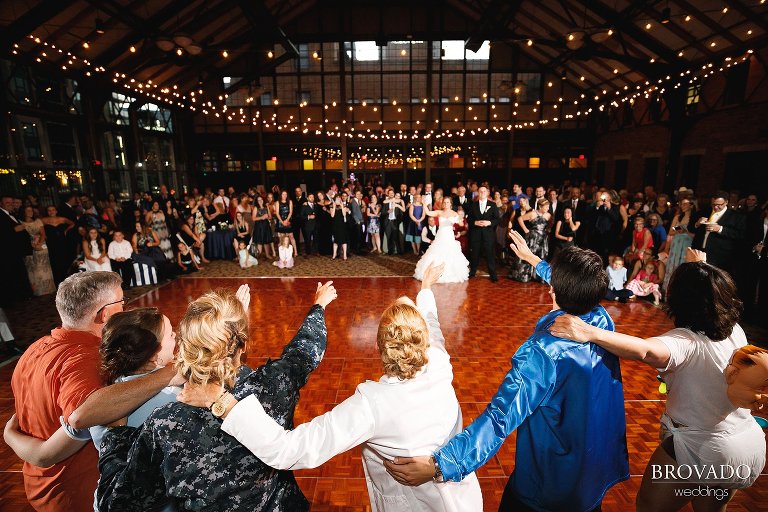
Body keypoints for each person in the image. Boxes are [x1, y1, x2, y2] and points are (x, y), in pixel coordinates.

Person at [177, 263, 483, 510]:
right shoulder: (440, 363)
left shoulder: (372, 404)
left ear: (380, 347)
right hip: (462, 497)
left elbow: (289, 450)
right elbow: (433, 325)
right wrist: (426, 289)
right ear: (423, 342)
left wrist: (225, 403)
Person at [385, 232, 629, 512]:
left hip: (548, 482)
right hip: (591, 470)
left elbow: (500, 417)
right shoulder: (601, 321)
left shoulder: (542, 353)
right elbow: (572, 286)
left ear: (554, 290)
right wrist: (533, 260)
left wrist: (442, 463)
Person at [550, 249, 766, 511]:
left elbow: (644, 349)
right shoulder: (735, 330)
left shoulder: (685, 342)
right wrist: (700, 268)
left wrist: (589, 332)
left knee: (649, 507)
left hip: (703, 449)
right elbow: (709, 293)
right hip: (745, 446)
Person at [96, 282, 336, 511]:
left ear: (185, 348)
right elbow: (304, 351)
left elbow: (119, 501)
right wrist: (319, 306)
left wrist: (115, 436)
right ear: (242, 346)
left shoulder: (165, 423)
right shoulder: (274, 386)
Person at [10, 272, 180, 511]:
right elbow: (80, 417)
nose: (126, 308)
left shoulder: (33, 350)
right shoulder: (90, 361)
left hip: (39, 487)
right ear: (106, 314)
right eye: (122, 302)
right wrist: (170, 373)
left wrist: (10, 436)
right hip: (78, 492)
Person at [414, 197, 469, 283]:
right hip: (440, 235)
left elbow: (461, 224)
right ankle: (433, 273)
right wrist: (424, 204)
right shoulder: (440, 212)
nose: (446, 204)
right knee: (436, 252)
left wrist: (459, 219)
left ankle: (449, 273)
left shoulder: (454, 213)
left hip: (449, 235)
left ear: (450, 204)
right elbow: (428, 212)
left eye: (447, 202)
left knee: (449, 253)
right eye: (444, 202)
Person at [692, 190, 746, 273]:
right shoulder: (705, 211)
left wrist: (720, 229)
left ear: (726, 202)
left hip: (719, 257)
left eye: (719, 205)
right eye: (713, 204)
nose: (715, 207)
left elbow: (740, 235)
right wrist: (697, 224)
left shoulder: (736, 216)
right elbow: (691, 228)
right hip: (700, 252)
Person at [0, 195, 33, 306]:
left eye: (11, 202)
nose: (11, 205)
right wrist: (14, 230)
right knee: (11, 274)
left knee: (19, 272)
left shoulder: (12, 214)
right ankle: (15, 298)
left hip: (16, 251)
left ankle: (22, 295)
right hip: (7, 252)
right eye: (7, 203)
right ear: (2, 204)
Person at [509, 199, 551, 282]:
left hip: (542, 239)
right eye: (546, 207)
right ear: (540, 206)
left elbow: (550, 224)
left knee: (540, 256)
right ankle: (525, 275)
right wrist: (525, 230)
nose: (547, 208)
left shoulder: (548, 215)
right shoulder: (533, 213)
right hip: (532, 238)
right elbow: (520, 219)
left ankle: (538, 277)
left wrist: (548, 230)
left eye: (548, 206)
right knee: (529, 255)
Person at [21, 206, 56, 296]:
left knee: (44, 268)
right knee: (33, 269)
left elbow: (43, 234)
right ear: (23, 212)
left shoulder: (38, 221)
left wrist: (39, 244)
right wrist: (32, 245)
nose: (30, 212)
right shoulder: (20, 222)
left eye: (31, 210)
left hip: (41, 247)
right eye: (28, 210)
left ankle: (48, 289)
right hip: (29, 247)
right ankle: (37, 291)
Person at [468, 185, 500, 282]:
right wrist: (475, 222)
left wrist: (489, 223)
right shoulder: (473, 205)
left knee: (490, 254)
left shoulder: (493, 205)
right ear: (478, 192)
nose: (482, 193)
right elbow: (468, 219)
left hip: (488, 234)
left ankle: (493, 274)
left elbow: (497, 219)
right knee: (474, 254)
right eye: (480, 191)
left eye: (484, 191)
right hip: (476, 233)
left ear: (487, 193)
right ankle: (472, 272)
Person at [41, 205, 76, 285]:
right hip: (51, 243)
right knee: (54, 261)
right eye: (49, 210)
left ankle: (66, 280)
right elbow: (39, 229)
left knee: (64, 259)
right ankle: (58, 282)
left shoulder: (62, 219)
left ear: (56, 211)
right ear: (47, 212)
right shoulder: (43, 220)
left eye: (53, 210)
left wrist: (66, 230)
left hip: (62, 242)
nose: (51, 212)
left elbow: (72, 223)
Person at [274, 190, 297, 257]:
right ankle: (282, 253)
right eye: (283, 194)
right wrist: (282, 222)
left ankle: (295, 251)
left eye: (286, 194)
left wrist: (286, 220)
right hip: (280, 221)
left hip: (288, 220)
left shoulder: (290, 201)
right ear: (281, 195)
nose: (284, 196)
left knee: (291, 236)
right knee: (281, 238)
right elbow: (277, 213)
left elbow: (290, 212)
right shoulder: (277, 202)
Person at [330, 195, 350, 260]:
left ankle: (344, 255)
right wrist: (334, 206)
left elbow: (344, 214)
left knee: (343, 240)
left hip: (342, 225)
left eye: (339, 199)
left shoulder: (343, 205)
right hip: (335, 225)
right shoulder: (331, 205)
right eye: (337, 199)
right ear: (335, 200)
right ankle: (334, 254)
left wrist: (341, 206)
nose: (338, 200)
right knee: (335, 240)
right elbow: (332, 215)